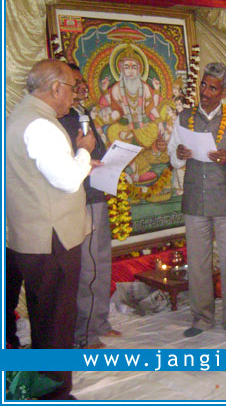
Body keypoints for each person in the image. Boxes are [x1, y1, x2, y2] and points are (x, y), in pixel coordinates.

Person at [6, 59, 98, 399]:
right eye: (72, 89)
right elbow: (67, 179)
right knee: (56, 321)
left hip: (33, 236)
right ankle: (55, 394)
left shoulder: (22, 116)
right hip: (52, 239)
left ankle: (41, 384)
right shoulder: (42, 126)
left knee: (46, 316)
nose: (73, 97)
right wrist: (84, 153)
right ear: (56, 88)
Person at [167, 62, 226, 340]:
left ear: (224, 92)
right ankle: (201, 317)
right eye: (203, 84)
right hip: (194, 198)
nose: (205, 91)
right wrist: (179, 153)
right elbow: (173, 159)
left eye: (212, 87)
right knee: (198, 261)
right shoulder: (184, 117)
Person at [58, 63, 121, 349]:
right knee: (88, 269)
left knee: (100, 264)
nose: (81, 87)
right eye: (75, 82)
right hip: (78, 200)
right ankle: (85, 335)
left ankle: (99, 323)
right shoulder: (55, 121)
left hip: (96, 195)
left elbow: (94, 152)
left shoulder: (81, 115)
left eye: (82, 81)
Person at [98, 45, 168, 183]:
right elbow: (115, 109)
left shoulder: (145, 87)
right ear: (121, 70)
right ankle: (131, 169)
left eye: (134, 67)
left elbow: (150, 108)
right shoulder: (117, 88)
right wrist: (105, 94)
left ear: (139, 70)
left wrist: (159, 121)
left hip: (143, 124)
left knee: (154, 129)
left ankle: (137, 169)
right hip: (125, 125)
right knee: (113, 132)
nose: (131, 71)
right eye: (127, 67)